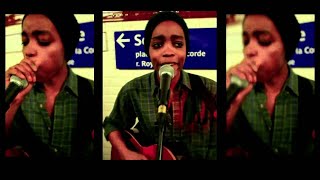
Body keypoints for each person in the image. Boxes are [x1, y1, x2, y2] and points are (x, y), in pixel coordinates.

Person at [103, 11, 217, 160]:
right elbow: (112, 124)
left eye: (178, 44)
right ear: (148, 52)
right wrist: (125, 153)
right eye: (157, 45)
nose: (168, 52)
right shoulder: (133, 90)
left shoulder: (211, 89)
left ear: (186, 51)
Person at [225, 13, 319, 159]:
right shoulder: (234, 93)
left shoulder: (312, 92)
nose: (248, 50)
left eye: (264, 40)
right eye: (246, 41)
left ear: (286, 46)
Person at [4, 13, 97, 159]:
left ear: (66, 46)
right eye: (25, 41)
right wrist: (12, 103)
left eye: (43, 41)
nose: (28, 51)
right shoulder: (14, 93)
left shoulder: (92, 91)